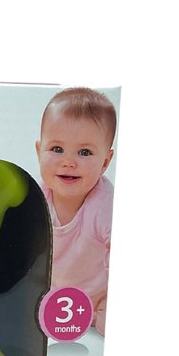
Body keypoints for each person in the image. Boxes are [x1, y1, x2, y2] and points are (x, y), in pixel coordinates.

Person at [36, 87, 116, 334]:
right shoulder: (38, 197)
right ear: (39, 151)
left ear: (105, 162)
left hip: (98, 300)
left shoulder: (106, 206)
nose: (69, 162)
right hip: (55, 298)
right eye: (57, 149)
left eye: (84, 152)